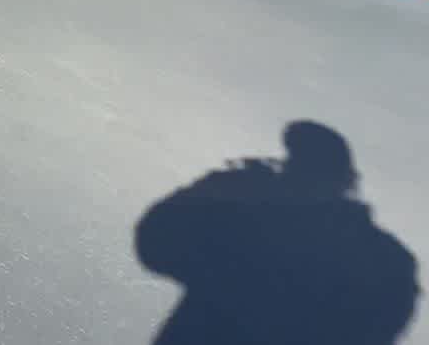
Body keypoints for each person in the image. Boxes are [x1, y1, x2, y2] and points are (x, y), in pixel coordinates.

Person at [135, 121, 419, 344]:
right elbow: (154, 245)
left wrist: (215, 190)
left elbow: (156, 244)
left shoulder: (246, 231)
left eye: (296, 168)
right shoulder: (389, 261)